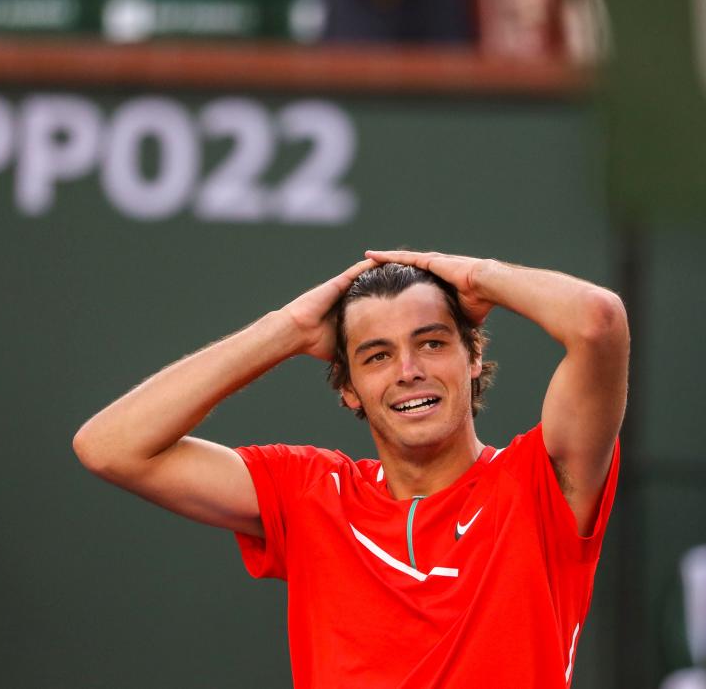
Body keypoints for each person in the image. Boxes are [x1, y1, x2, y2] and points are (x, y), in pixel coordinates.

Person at [73, 249, 629, 688]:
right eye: (377, 356)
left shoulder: (541, 481)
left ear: (473, 356)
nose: (409, 370)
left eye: (432, 343)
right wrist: (287, 329)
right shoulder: (310, 492)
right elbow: (110, 446)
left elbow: (598, 321)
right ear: (348, 390)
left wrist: (478, 278)